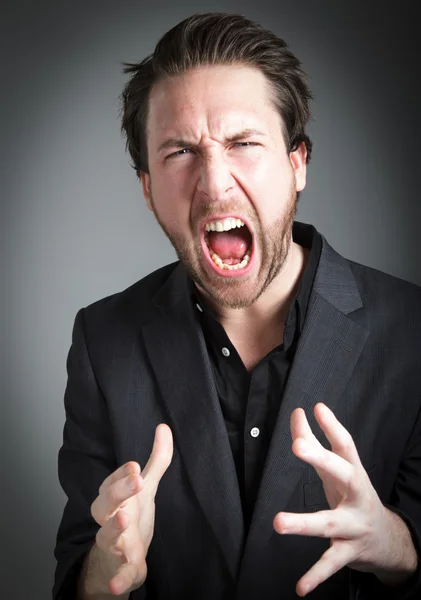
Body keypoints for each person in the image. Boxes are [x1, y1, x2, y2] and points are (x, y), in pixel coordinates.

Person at [53, 12, 421, 600]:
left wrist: (396, 545)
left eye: (244, 143)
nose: (215, 183)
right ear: (148, 189)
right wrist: (106, 570)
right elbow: (79, 571)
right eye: (179, 152)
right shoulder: (103, 340)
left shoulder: (412, 330)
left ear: (297, 163)